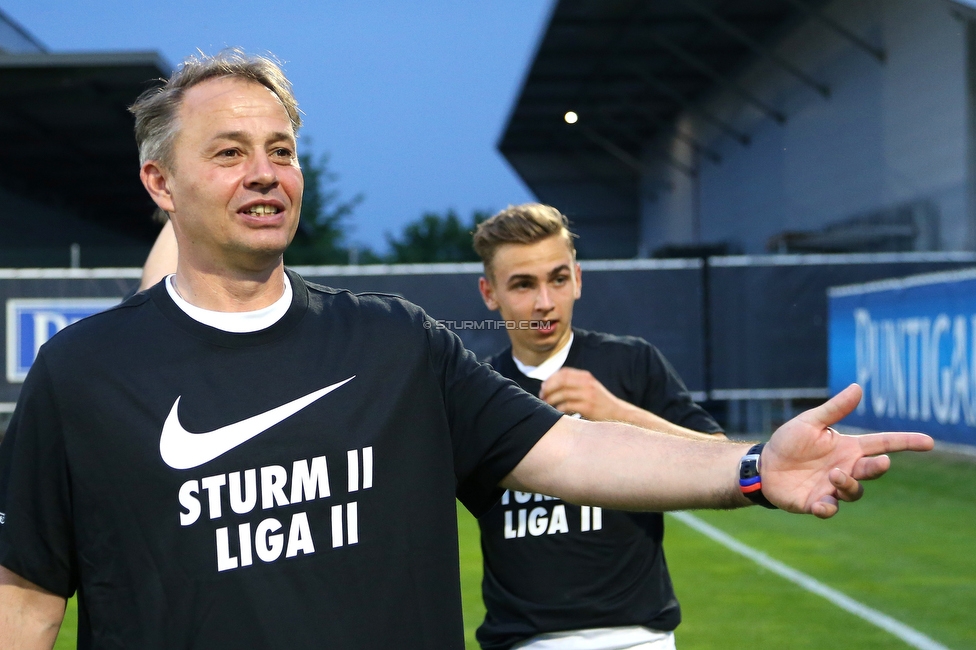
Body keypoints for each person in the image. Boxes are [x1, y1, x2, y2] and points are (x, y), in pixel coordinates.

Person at [0, 50, 932, 650]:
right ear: (158, 181)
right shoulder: (83, 373)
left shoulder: (395, 341)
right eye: (231, 151)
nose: (265, 174)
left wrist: (755, 466)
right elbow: (25, 600)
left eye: (281, 149)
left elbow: (567, 448)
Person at [472, 203, 723, 650]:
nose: (544, 301)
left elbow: (718, 457)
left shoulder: (631, 362)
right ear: (490, 293)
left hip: (640, 637)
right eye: (523, 285)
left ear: (579, 279)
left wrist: (616, 412)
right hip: (525, 641)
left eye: (558, 279)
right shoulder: (476, 388)